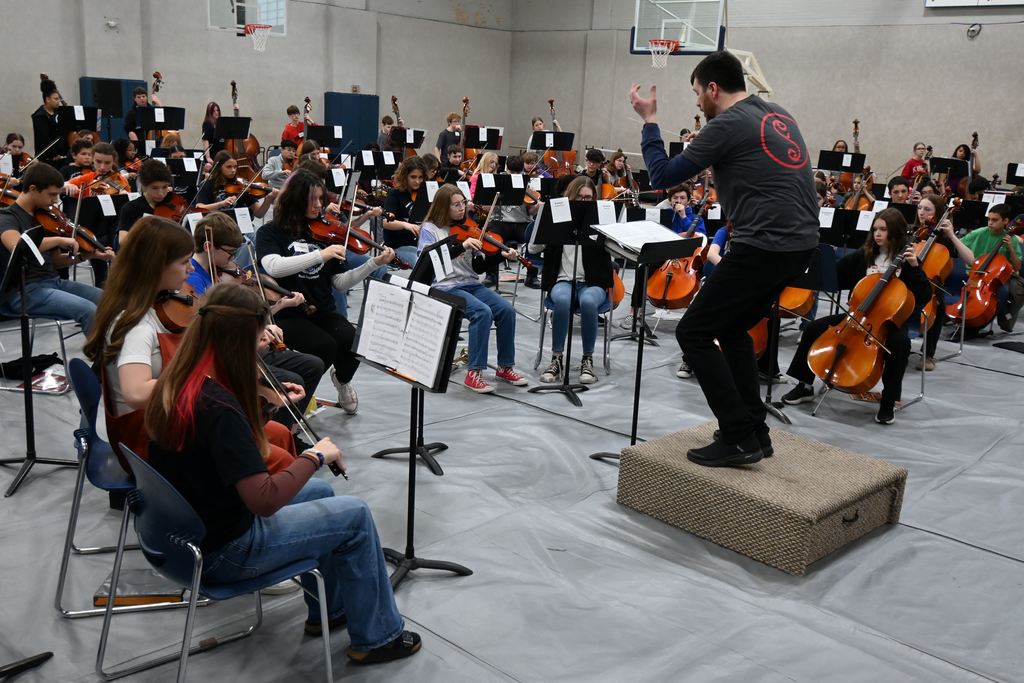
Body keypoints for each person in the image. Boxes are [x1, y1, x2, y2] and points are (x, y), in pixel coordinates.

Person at [144, 282, 421, 662]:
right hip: (225, 552)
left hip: (185, 535)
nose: (263, 350)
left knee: (321, 494)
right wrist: (315, 456)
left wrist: (266, 405)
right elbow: (265, 499)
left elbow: (224, 451)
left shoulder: (182, 380)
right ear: (239, 341)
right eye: (259, 340)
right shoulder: (219, 408)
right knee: (355, 515)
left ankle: (331, 611)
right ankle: (379, 638)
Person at [631, 50, 818, 467]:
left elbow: (662, 177)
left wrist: (649, 120)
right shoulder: (778, 114)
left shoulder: (728, 123)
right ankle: (755, 430)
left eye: (698, 93)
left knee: (693, 332)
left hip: (765, 244)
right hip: (800, 244)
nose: (698, 102)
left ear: (713, 89)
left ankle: (737, 435)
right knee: (731, 327)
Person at [255, 169, 396, 414]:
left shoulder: (326, 232)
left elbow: (339, 283)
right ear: (296, 199)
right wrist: (320, 255)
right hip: (288, 311)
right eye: (313, 199)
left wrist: (373, 264)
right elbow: (273, 266)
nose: (319, 205)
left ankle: (341, 380)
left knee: (354, 342)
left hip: (321, 309)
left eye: (321, 198)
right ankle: (295, 400)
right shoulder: (270, 232)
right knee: (324, 347)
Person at [782, 209, 931, 424]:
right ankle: (804, 385)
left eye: (883, 229)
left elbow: (924, 295)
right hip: (856, 316)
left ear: (896, 232)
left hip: (889, 322)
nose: (877, 234)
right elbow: (836, 275)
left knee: (900, 344)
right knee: (814, 328)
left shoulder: (908, 262)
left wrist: (915, 267)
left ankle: (888, 401)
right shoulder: (865, 255)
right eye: (875, 229)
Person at [186, 212, 323, 428]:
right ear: (208, 246)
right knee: (292, 380)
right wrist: (252, 334)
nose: (233, 260)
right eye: (230, 253)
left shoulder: (222, 273)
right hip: (228, 353)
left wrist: (277, 308)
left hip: (245, 344)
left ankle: (289, 429)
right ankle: (272, 431)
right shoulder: (194, 281)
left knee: (313, 365)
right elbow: (214, 331)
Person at [417, 184, 528, 393]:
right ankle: (474, 373)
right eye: (456, 205)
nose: (462, 208)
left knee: (507, 310)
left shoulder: (470, 227)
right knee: (482, 312)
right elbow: (429, 262)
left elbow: (478, 267)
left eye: (463, 203)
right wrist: (461, 246)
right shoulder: (430, 229)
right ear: (443, 207)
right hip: (443, 286)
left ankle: (505, 367)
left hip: (469, 283)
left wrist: (499, 256)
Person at [0, 163, 105, 332]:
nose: (56, 200)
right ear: (33, 189)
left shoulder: (45, 218)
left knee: (107, 300)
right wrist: (58, 240)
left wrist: (87, 256)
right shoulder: (6, 217)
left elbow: (55, 261)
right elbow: (18, 247)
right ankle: (102, 350)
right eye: (52, 194)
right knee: (88, 310)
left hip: (53, 282)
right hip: (24, 291)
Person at [531, 177, 612, 386]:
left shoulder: (600, 218)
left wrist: (611, 233)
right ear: (570, 197)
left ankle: (588, 359)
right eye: (579, 197)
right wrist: (543, 222)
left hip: (593, 282)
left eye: (588, 198)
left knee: (588, 301)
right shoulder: (557, 217)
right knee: (563, 300)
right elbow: (532, 249)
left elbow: (617, 253)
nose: (583, 202)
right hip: (562, 280)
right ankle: (556, 358)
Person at [939, 203, 1021, 334]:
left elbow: (1017, 266)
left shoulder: (1011, 240)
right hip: (973, 273)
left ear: (1005, 221)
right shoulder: (979, 233)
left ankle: (980, 323)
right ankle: (955, 316)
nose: (990, 223)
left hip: (995, 279)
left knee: (1002, 293)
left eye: (995, 220)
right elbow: (959, 244)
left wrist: (1010, 248)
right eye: (989, 219)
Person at [195, 150, 277, 218]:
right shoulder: (208, 184)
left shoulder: (241, 185)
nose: (233, 170)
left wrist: (268, 199)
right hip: (217, 225)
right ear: (219, 167)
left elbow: (259, 214)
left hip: (240, 225)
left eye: (235, 167)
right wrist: (221, 204)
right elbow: (199, 208)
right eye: (229, 167)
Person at [117, 159, 177, 246]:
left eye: (164, 187)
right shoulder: (131, 208)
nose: (161, 193)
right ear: (144, 186)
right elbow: (123, 240)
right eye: (155, 188)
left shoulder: (173, 205)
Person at [382, 156, 428, 268]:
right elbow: (386, 222)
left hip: (421, 244)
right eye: (413, 177)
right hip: (398, 246)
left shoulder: (424, 193)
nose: (417, 181)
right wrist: (405, 225)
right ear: (404, 176)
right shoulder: (395, 194)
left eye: (420, 177)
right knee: (422, 263)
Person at [31, 78, 68, 169]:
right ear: (47, 99)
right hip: (48, 158)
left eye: (59, 99)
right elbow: (44, 138)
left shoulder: (59, 112)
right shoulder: (40, 116)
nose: (58, 101)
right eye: (56, 99)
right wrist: (54, 153)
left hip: (62, 156)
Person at [201, 101, 238, 170]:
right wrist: (208, 157)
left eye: (217, 110)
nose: (216, 112)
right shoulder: (207, 124)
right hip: (213, 155)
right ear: (209, 112)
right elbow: (205, 141)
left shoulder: (222, 123)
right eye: (213, 111)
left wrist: (236, 111)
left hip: (222, 154)